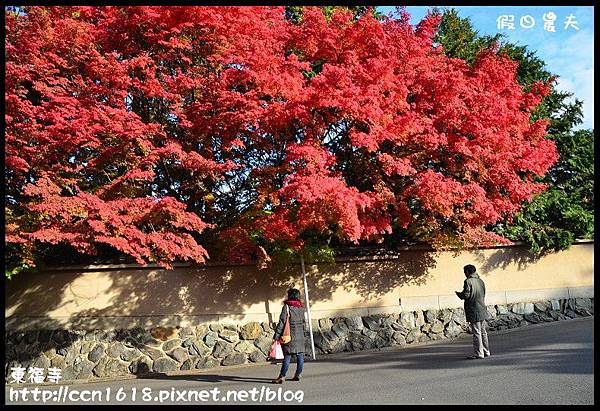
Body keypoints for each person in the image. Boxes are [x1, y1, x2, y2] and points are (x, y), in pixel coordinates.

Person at [455, 264, 491, 359]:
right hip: (482, 308)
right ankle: (486, 351)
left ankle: (479, 353)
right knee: (483, 331)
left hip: (473, 309)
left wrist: (460, 295)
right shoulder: (481, 281)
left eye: (465, 272)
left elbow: (466, 295)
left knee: (477, 332)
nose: (464, 274)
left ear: (467, 272)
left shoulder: (468, 281)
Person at [272, 288, 306, 383]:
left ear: (289, 295)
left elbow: (282, 322)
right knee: (300, 356)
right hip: (300, 336)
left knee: (287, 356)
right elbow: (304, 323)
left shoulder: (287, 307)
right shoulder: (301, 307)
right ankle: (298, 374)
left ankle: (282, 376)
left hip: (289, 335)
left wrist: (276, 336)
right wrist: (304, 334)